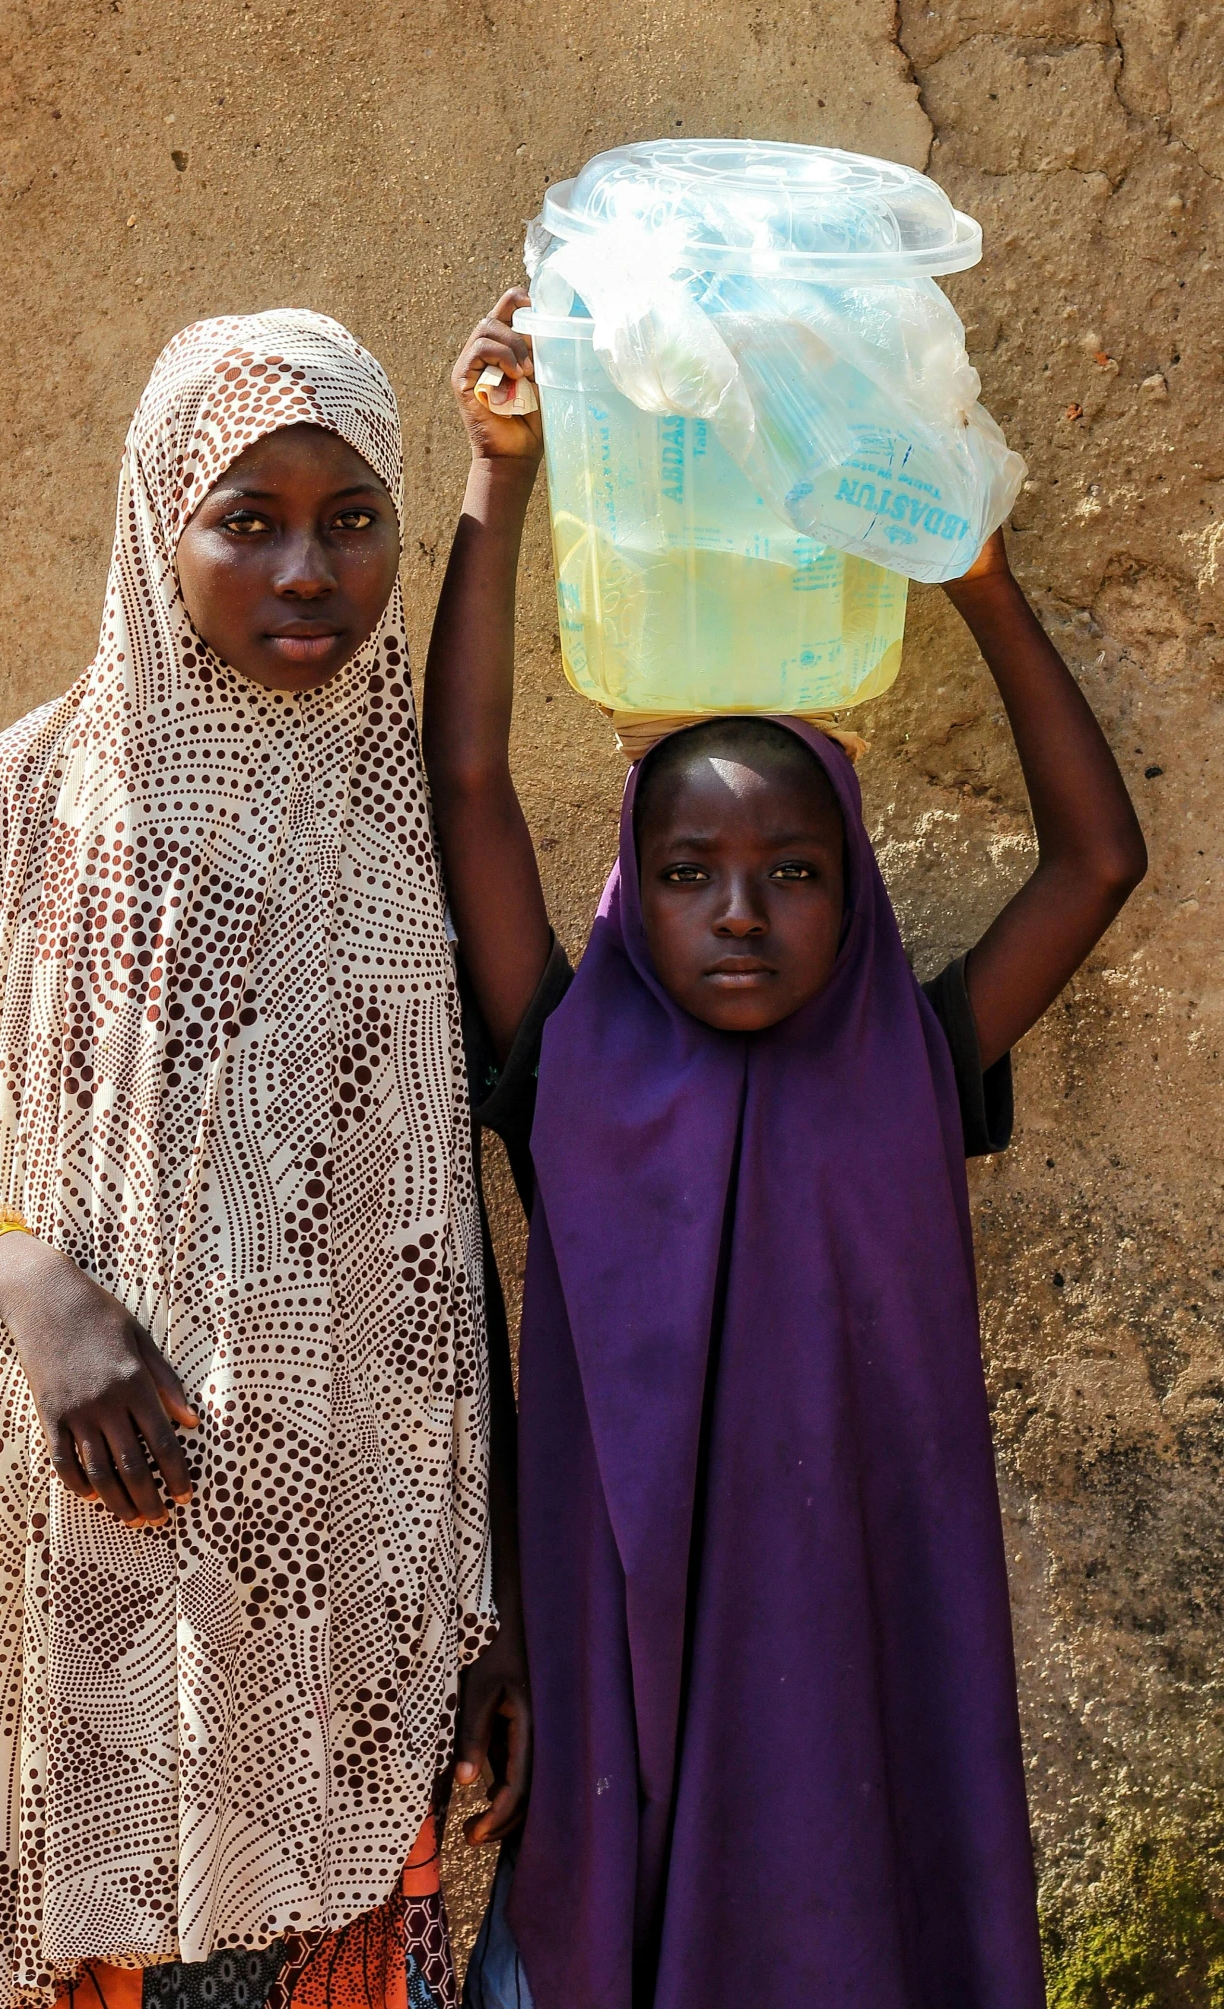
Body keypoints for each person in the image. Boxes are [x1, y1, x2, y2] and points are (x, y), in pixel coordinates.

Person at [426, 291, 1147, 2009]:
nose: (738, 915)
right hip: (616, 1670)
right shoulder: (570, 1058)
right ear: (632, 885)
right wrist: (497, 474)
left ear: (859, 892)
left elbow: (1095, 861)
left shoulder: (911, 1058)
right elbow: (467, 786)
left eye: (794, 872)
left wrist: (969, 569)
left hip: (842, 1668)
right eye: (687, 874)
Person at [0, 311, 530, 2009]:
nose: (307, 568)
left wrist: (504, 1600)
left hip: (361, 1597)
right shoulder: (33, 799)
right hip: (99, 1579)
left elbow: (452, 1238)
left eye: (354, 519)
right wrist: (30, 1281)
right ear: (158, 525)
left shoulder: (408, 827)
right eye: (250, 519)